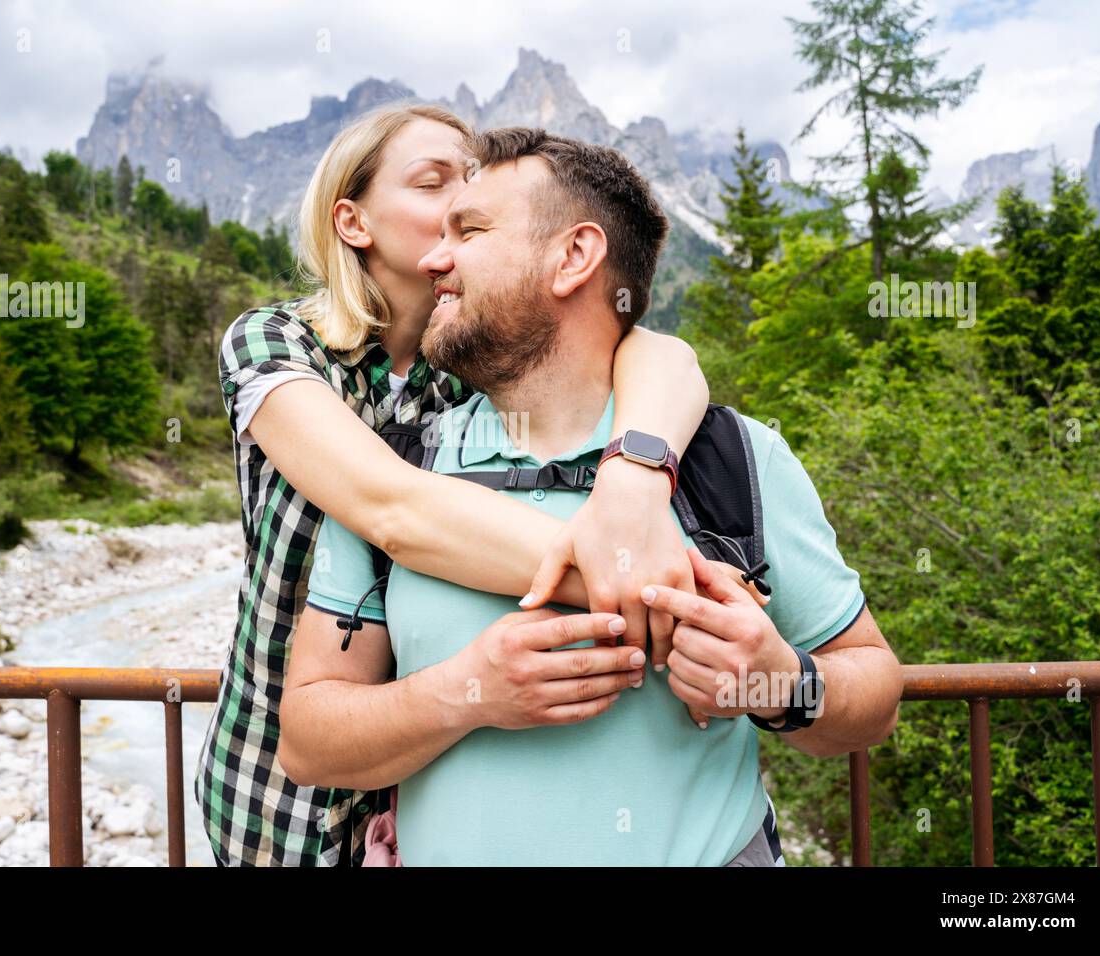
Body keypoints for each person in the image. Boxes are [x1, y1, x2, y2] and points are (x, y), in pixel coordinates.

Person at [278, 128, 903, 866]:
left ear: (574, 257)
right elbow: (307, 742)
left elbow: (875, 692)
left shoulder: (733, 458)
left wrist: (779, 679)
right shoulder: (406, 464)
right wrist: (466, 691)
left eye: (469, 230)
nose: (432, 259)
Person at [195, 104, 722, 866]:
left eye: (471, 189)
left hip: (425, 778)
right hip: (279, 782)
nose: (458, 204)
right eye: (433, 181)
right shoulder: (275, 342)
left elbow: (665, 359)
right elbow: (393, 510)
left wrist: (632, 486)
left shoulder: (470, 376)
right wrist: (662, 589)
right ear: (353, 222)